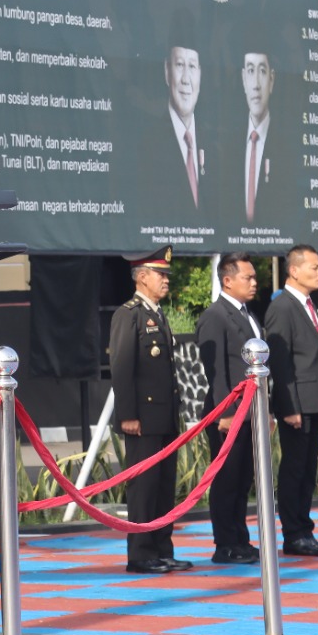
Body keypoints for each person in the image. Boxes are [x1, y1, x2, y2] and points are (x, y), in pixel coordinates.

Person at [108, 246, 192, 575]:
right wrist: (128, 414)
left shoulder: (157, 313)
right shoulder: (128, 314)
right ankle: (141, 554)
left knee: (163, 486)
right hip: (141, 418)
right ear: (142, 277)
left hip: (163, 417)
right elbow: (122, 367)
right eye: (161, 274)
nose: (166, 280)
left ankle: (162, 547)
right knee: (143, 489)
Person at [264, 244, 318, 556]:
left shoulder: (306, 304)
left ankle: (304, 531)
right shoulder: (282, 308)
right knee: (295, 470)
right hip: (297, 404)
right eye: (314, 268)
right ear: (293, 271)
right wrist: (288, 406)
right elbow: (280, 364)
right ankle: (294, 534)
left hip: (314, 401)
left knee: (307, 469)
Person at [195, 252, 262, 563]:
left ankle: (240, 539)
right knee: (227, 480)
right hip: (230, 413)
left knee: (243, 479)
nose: (254, 282)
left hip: (251, 410)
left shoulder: (246, 314)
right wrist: (225, 413)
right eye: (247, 277)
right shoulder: (216, 315)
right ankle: (225, 544)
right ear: (227, 280)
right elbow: (216, 369)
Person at [236, 51, 288, 226]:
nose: (256, 84)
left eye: (262, 71)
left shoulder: (287, 145)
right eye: (251, 71)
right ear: (243, 79)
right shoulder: (226, 148)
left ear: (271, 80)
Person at [163, 45, 205, 210]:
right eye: (180, 65)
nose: (186, 79)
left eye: (192, 66)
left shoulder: (217, 148)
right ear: (167, 72)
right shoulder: (146, 145)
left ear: (200, 75)